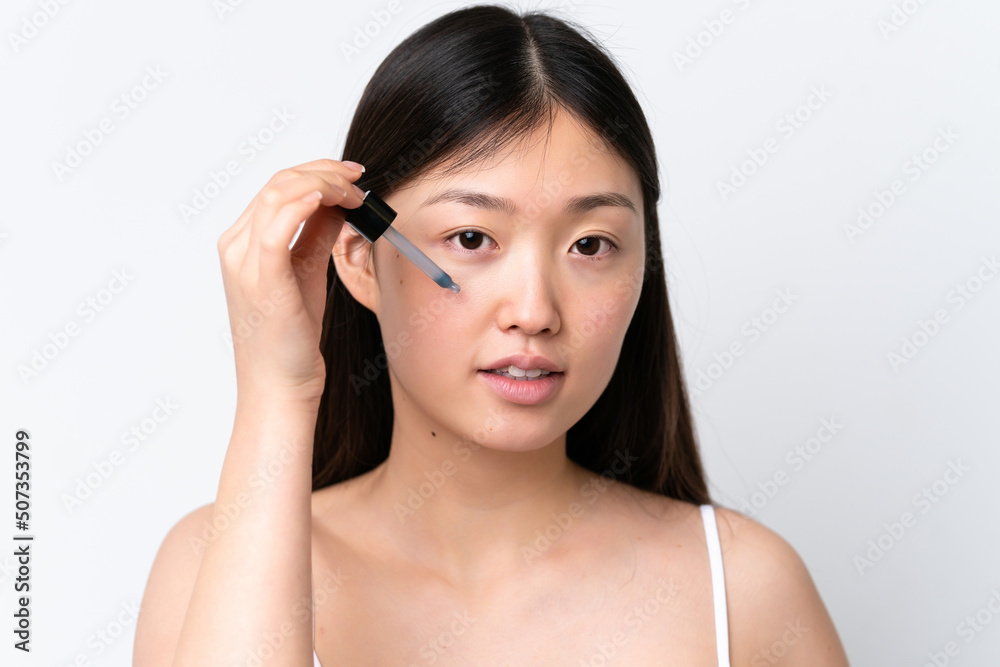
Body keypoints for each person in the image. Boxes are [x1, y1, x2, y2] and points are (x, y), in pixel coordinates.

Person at [133, 4, 850, 665]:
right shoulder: (209, 566)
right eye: (472, 236)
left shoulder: (745, 590)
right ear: (360, 261)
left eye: (592, 245)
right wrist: (277, 395)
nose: (534, 310)